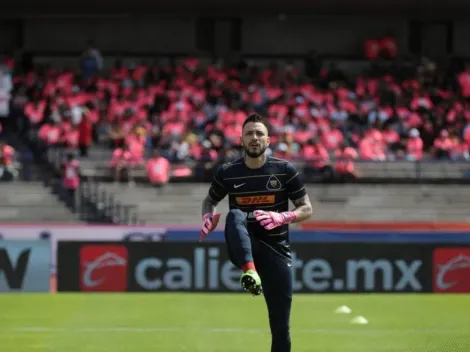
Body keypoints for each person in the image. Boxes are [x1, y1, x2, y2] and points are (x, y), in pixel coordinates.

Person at [199, 113, 313, 352]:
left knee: (281, 328)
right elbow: (209, 201)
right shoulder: (227, 172)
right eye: (249, 133)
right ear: (241, 140)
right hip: (243, 247)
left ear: (268, 140)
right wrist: (207, 218)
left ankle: (253, 274)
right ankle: (249, 273)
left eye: (259, 133)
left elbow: (306, 208)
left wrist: (283, 216)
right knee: (235, 215)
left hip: (276, 250)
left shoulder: (284, 170)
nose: (254, 138)